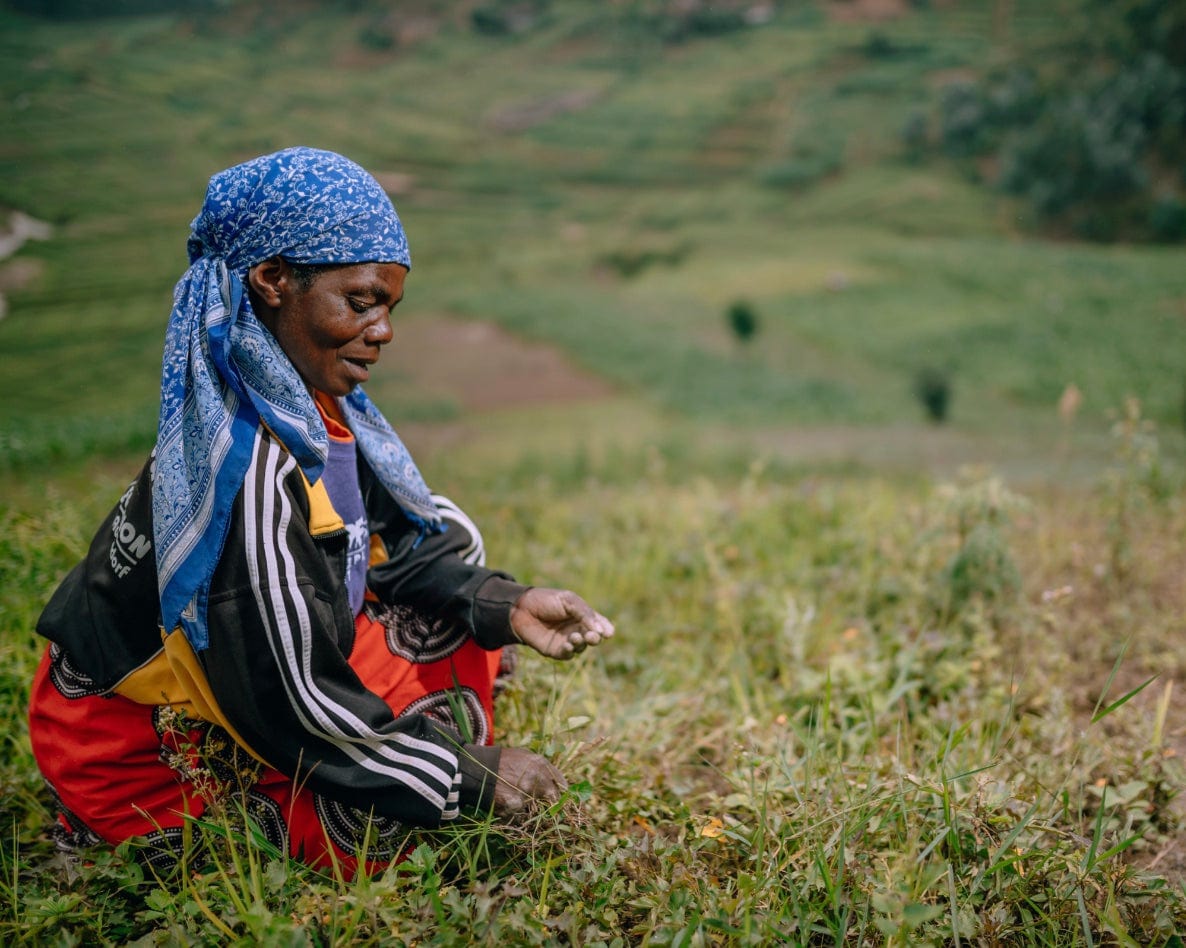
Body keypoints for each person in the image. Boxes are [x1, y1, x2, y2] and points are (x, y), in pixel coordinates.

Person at [27, 147, 614, 877]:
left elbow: (403, 543)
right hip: (134, 742)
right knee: (383, 841)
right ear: (273, 280)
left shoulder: (319, 411)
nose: (383, 331)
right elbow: (290, 702)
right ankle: (106, 825)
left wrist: (508, 603)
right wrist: (466, 776)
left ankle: (401, 744)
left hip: (259, 668)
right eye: (361, 301)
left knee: (463, 631)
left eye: (390, 308)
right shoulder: (249, 476)